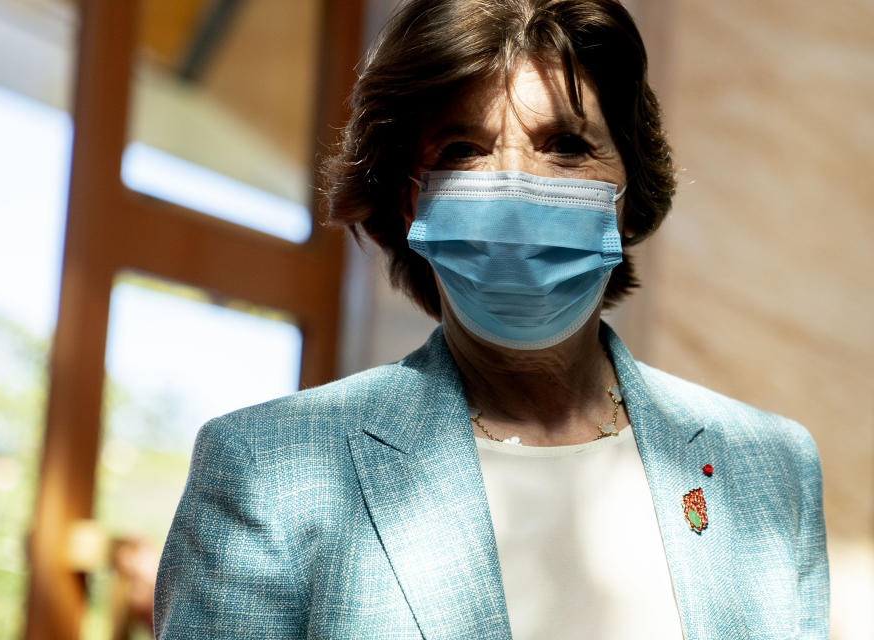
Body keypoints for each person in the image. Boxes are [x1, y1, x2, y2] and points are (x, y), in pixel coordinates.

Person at [153, 1, 829, 638]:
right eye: (461, 150)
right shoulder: (268, 471)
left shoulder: (771, 467)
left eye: (565, 143)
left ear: (629, 191)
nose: (514, 189)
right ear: (408, 204)